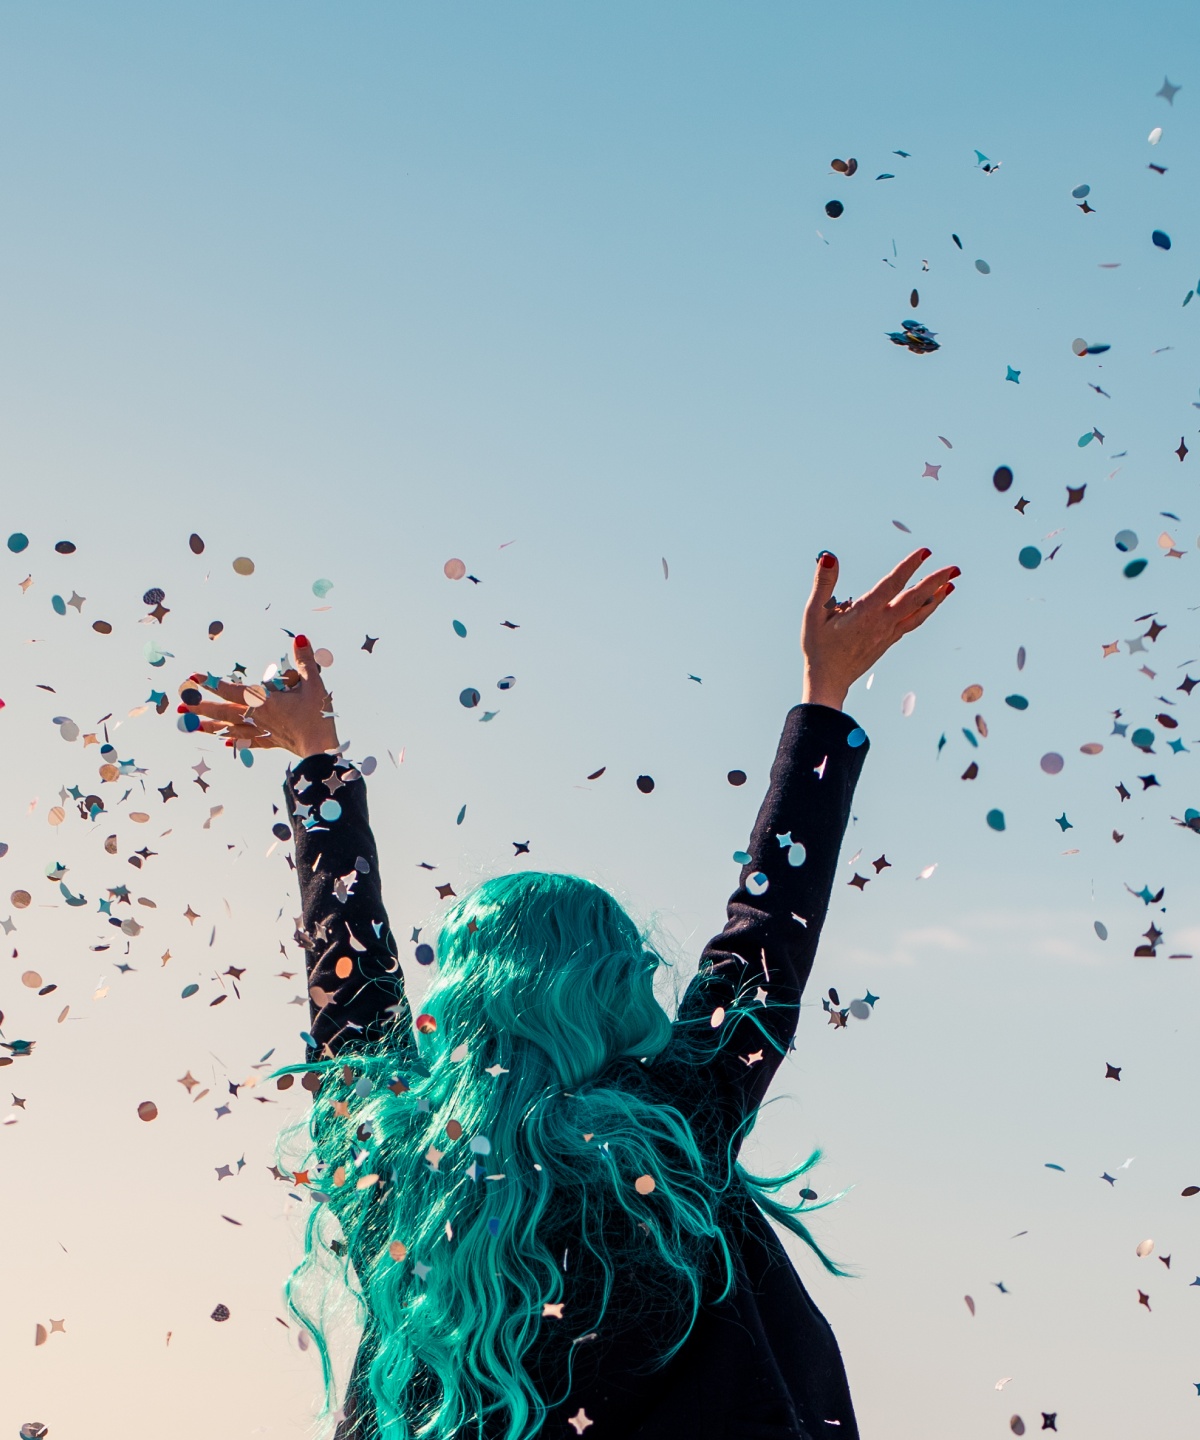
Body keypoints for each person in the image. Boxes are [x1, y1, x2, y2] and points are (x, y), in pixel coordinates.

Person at [177, 547, 959, 1440]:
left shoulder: (391, 1159)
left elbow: (348, 985)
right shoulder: (670, 1130)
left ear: (460, 1003)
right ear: (614, 985)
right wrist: (828, 692)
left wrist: (315, 755)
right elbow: (767, 934)